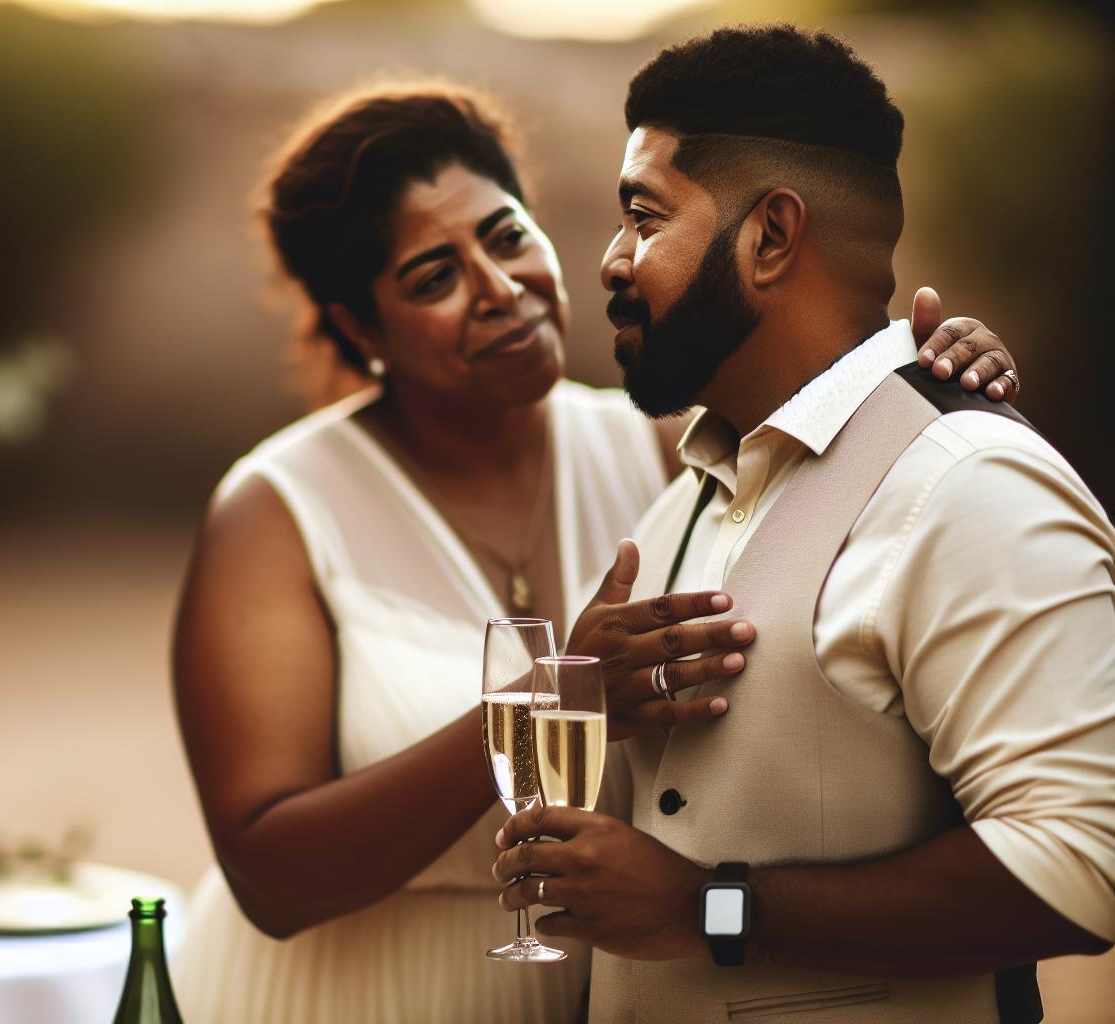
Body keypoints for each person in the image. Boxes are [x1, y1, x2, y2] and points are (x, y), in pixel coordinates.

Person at [172, 80, 1021, 1022]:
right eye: (433, 277)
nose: (499, 290)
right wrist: (548, 705)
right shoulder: (276, 509)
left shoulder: (671, 449)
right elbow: (270, 875)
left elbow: (874, 535)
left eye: (505, 237)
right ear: (359, 330)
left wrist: (929, 382)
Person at [491, 26, 1115, 1024]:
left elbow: (1083, 862)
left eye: (644, 218)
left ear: (770, 235)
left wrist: (707, 907)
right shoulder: (679, 497)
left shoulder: (969, 481)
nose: (612, 259)